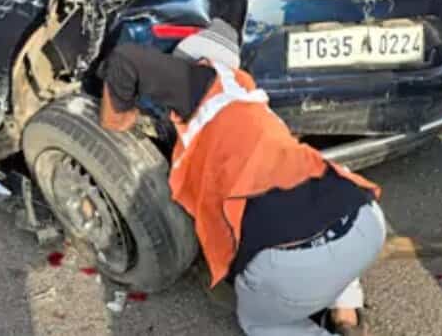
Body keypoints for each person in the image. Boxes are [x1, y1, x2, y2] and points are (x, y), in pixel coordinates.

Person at [98, 20, 386, 336]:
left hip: (292, 264)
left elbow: (125, 60)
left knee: (263, 324)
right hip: (365, 224)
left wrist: (119, 119)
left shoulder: (200, 79)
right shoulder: (251, 100)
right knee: (325, 207)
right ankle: (346, 314)